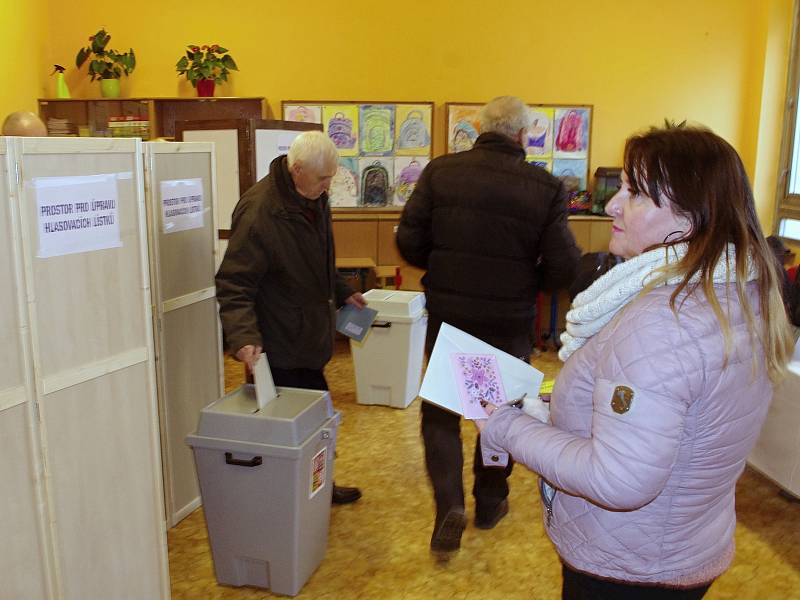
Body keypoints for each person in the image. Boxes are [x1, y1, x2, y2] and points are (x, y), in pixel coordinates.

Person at [477, 123, 795, 598]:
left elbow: (620, 479)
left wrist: (502, 425)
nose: (611, 204)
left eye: (636, 193)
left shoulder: (663, 321)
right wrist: (553, 412)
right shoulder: (734, 292)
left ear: (686, 223)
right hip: (680, 545)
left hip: (630, 566)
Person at [396, 95, 580, 554]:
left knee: (441, 409)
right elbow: (564, 269)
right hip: (507, 320)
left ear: (479, 127)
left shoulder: (441, 171)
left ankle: (449, 506)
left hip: (451, 315)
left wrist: (442, 268)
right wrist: (527, 280)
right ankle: (491, 500)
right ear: (522, 134)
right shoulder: (545, 187)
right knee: (498, 409)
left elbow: (408, 240)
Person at [215, 130, 365, 505]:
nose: (329, 185)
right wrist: (243, 336)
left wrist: (344, 289)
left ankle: (316, 489)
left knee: (316, 422)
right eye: (322, 178)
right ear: (297, 169)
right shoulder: (260, 212)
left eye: (331, 176)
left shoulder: (313, 197)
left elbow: (314, 260)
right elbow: (234, 283)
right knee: (291, 429)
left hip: (307, 337)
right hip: (277, 344)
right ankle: (294, 499)